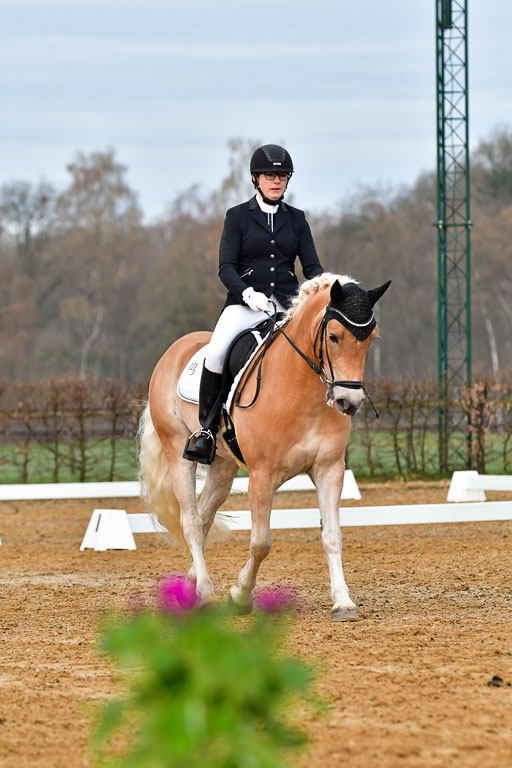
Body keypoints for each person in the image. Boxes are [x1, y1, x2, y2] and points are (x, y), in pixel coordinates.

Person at [183, 143, 325, 464]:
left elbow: (312, 267)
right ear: (255, 179)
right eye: (270, 175)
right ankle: (206, 431)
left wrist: (324, 288)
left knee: (316, 349)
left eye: (282, 176)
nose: (277, 181)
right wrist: (246, 293)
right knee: (217, 352)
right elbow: (226, 267)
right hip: (244, 305)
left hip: (287, 306)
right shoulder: (237, 217)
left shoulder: (297, 220)